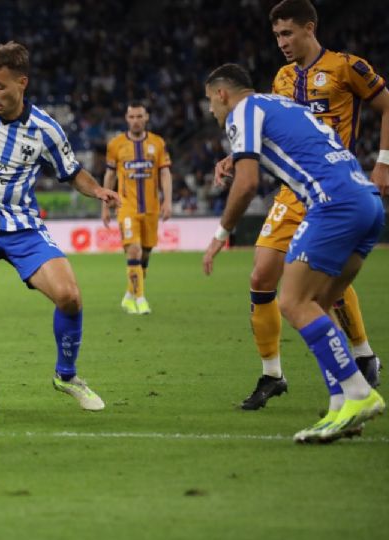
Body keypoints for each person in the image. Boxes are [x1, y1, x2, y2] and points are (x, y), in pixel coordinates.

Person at [213, 0, 388, 410]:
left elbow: (386, 105)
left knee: (318, 289)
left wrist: (383, 163)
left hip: (335, 187)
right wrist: (237, 154)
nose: (281, 43)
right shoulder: (282, 78)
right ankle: (272, 374)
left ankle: (361, 358)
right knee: (261, 277)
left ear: (310, 28)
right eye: (276, 36)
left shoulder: (348, 68)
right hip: (293, 192)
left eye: (288, 33)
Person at [0, 41, 121, 425]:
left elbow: (72, 172)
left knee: (70, 296)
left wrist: (99, 190)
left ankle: (66, 376)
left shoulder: (45, 130)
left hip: (23, 228)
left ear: (22, 83)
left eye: (1, 86)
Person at [101, 102, 173, 315]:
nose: (135, 120)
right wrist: (105, 206)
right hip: (126, 207)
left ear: (146, 117)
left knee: (145, 255)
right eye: (131, 117)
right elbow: (110, 175)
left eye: (139, 116)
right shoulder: (116, 144)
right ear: (126, 118)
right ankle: (140, 299)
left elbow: (165, 173)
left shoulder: (158, 143)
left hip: (151, 207)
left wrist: (167, 201)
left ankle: (130, 294)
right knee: (134, 249)